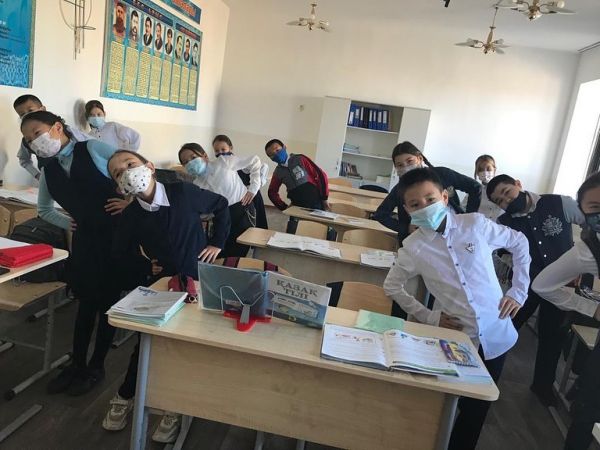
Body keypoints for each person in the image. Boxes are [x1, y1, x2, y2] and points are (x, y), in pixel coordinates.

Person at [383, 167, 531, 450]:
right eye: (415, 204)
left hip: (496, 332)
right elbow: (392, 286)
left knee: (477, 409)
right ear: (407, 209)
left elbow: (519, 242)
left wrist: (518, 291)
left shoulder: (474, 224)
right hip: (457, 339)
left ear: (444, 197)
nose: (424, 207)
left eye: (430, 199)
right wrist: (430, 316)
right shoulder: (413, 247)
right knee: (445, 403)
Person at [102, 150, 230, 442]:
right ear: (119, 186)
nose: (126, 172)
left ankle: (175, 406)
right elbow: (120, 252)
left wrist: (217, 244)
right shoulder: (131, 215)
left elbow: (221, 205)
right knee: (147, 342)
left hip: (198, 280)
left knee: (187, 343)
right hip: (162, 285)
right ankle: (126, 395)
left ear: (149, 167)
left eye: (130, 164)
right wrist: (145, 265)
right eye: (118, 173)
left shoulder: (182, 193)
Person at [20, 111, 133, 396]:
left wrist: (129, 203)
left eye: (37, 133)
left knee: (107, 303)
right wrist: (70, 223)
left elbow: (134, 171)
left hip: (116, 238)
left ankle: (97, 365)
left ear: (57, 127)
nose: (34, 141)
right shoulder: (49, 170)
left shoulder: (92, 149)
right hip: (85, 242)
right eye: (29, 139)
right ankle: (77, 364)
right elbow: (44, 210)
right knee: (85, 303)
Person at [487, 173, 586, 406]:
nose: (506, 201)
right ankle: (487, 377)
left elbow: (589, 223)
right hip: (525, 287)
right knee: (505, 328)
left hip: (561, 286)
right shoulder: (503, 223)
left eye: (507, 193)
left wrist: (582, 260)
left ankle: (542, 386)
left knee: (552, 336)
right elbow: (500, 252)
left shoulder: (558, 203)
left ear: (518, 184)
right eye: (500, 201)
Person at [532, 172, 600, 450]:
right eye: (594, 207)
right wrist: (591, 309)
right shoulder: (588, 250)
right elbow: (542, 285)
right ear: (583, 212)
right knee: (588, 413)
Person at [374, 141, 482, 242]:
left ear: (420, 158)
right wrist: (405, 227)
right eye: (400, 165)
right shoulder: (399, 190)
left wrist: (468, 216)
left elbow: (475, 187)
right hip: (419, 239)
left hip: (454, 232)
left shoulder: (442, 174)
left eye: (410, 161)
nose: (406, 167)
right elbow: (380, 214)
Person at [179, 142, 263, 257]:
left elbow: (255, 160)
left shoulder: (223, 162)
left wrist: (253, 188)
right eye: (185, 162)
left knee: (237, 251)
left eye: (193, 158)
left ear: (205, 156)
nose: (190, 163)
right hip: (220, 219)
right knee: (218, 253)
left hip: (242, 210)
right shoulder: (197, 184)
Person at [13, 94, 90, 179]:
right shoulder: (27, 141)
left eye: (30, 110)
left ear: (43, 109)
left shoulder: (69, 132)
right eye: (22, 114)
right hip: (50, 181)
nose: (27, 116)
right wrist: (37, 175)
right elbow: (23, 159)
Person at [213, 134, 269, 229]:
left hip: (250, 198)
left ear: (230, 148)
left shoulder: (237, 161)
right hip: (235, 204)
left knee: (254, 228)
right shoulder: (218, 165)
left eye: (223, 149)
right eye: (217, 151)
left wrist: (253, 188)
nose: (220, 153)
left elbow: (258, 163)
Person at [266, 138, 329, 212]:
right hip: (296, 206)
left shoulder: (300, 159)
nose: (276, 155)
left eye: (277, 150)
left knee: (316, 220)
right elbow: (272, 192)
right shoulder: (278, 172)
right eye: (272, 155)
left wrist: (324, 198)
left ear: (284, 147)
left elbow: (321, 176)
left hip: (315, 203)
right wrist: (284, 208)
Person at [462, 154, 504, 222]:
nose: (485, 172)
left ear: (494, 170)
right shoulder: (474, 192)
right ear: (477, 172)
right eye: (481, 170)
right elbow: (462, 210)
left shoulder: (503, 191)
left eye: (488, 169)